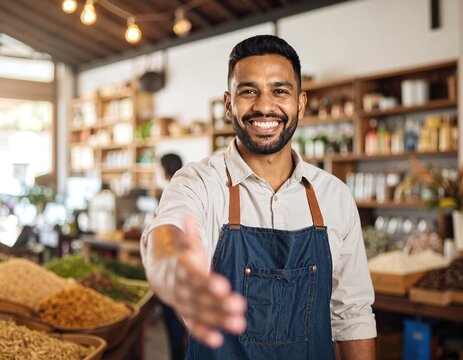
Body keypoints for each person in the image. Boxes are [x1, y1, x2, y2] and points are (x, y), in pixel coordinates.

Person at [141, 35, 376, 359]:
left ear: (301, 103)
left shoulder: (334, 196)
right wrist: (177, 271)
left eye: (280, 91)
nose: (265, 106)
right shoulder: (199, 181)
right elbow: (167, 233)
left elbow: (353, 315)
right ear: (228, 104)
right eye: (249, 91)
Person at [157, 153, 188, 360]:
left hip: (173, 270)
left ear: (165, 170)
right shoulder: (188, 187)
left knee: (175, 326)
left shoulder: (171, 192)